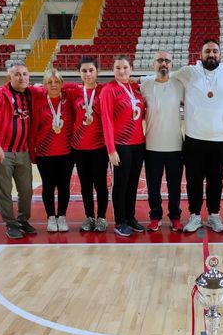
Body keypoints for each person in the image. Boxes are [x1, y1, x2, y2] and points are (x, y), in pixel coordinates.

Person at [170, 39, 223, 233]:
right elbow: (163, 78)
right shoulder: (188, 72)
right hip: (194, 139)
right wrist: (140, 81)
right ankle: (194, 216)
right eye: (207, 51)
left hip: (220, 140)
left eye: (215, 51)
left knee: (215, 181)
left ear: (220, 54)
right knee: (193, 180)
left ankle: (213, 215)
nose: (211, 54)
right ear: (200, 55)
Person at [0, 60, 36, 239]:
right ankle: (11, 224)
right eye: (17, 74)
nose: (22, 78)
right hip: (2, 151)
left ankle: (22, 219)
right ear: (9, 76)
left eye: (25, 74)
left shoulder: (30, 95)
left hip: (23, 151)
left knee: (27, 190)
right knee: (4, 190)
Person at [100, 55, 146, 237]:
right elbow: (107, 121)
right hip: (120, 145)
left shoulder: (135, 89)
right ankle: (120, 221)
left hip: (138, 144)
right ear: (113, 70)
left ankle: (130, 217)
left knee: (133, 184)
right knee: (120, 185)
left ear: (131, 69)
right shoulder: (108, 90)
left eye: (125, 67)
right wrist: (111, 149)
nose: (122, 71)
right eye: (118, 68)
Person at [140, 51, 185, 232]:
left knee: (175, 186)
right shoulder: (144, 85)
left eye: (167, 60)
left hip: (175, 145)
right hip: (152, 145)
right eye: (160, 60)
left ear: (171, 64)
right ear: (153, 64)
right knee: (153, 186)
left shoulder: (179, 85)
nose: (163, 63)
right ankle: (155, 216)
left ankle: (175, 217)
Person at [29, 68, 74, 233]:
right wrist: (32, 152)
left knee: (64, 187)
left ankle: (61, 216)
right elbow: (34, 129)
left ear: (62, 83)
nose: (53, 85)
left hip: (67, 153)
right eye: (49, 82)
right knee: (48, 186)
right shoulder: (39, 102)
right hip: (44, 154)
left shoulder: (68, 99)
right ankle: (50, 217)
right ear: (44, 85)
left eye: (57, 82)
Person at [71, 56, 109, 232]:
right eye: (84, 71)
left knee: (100, 184)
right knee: (85, 185)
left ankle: (101, 217)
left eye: (91, 70)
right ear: (79, 73)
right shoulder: (74, 92)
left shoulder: (105, 90)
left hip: (100, 147)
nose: (87, 74)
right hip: (79, 148)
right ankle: (89, 217)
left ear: (97, 72)